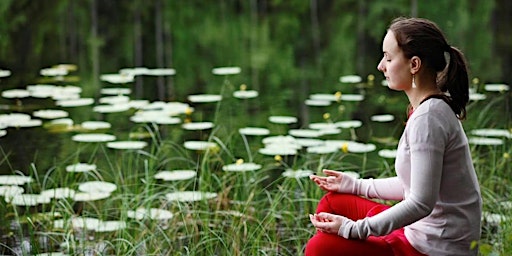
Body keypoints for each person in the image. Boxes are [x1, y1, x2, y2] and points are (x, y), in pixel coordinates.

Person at [305, 17, 482, 256]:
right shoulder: (430, 109)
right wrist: (354, 185)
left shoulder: (428, 119)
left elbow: (420, 203)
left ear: (414, 64)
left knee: (319, 247)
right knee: (334, 202)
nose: (381, 66)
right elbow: (413, 185)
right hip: (418, 233)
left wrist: (355, 229)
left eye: (388, 58)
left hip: (431, 249)